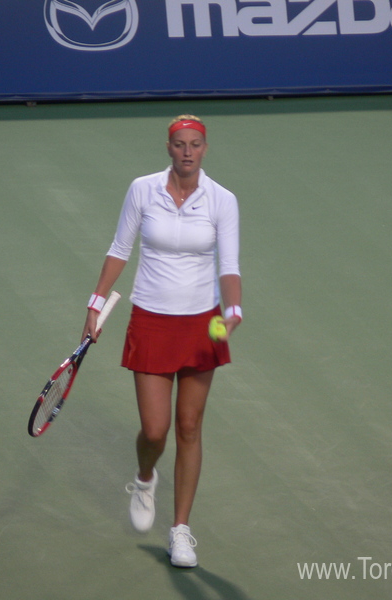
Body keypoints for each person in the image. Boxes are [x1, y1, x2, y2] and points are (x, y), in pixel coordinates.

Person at [81, 115, 242, 568]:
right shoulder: (142, 189)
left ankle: (180, 531)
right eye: (179, 144)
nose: (187, 151)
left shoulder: (222, 200)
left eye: (195, 144)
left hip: (200, 325)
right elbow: (119, 249)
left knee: (189, 427)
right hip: (151, 320)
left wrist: (234, 311)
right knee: (155, 430)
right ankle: (146, 476)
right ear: (168, 148)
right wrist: (94, 304)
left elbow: (229, 267)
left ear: (205, 149)